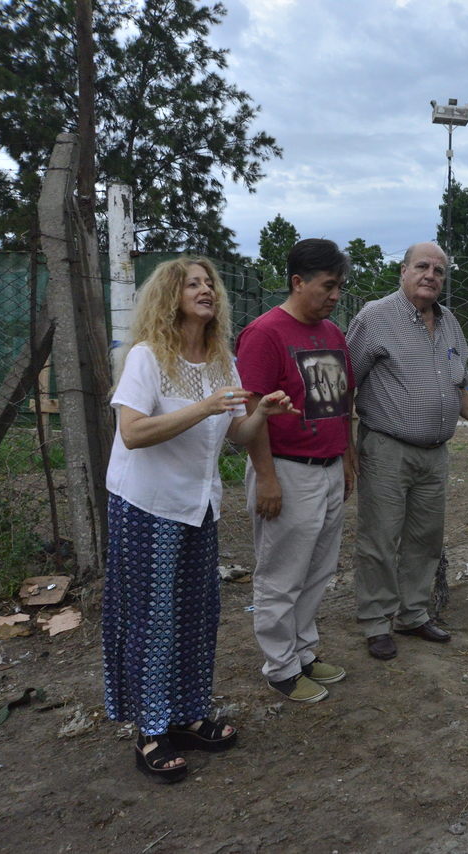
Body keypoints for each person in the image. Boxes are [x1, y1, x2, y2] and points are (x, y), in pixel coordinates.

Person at [104, 257, 299, 782]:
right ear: (171, 296)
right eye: (193, 284)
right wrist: (204, 407)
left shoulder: (220, 362)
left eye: (209, 283)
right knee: (153, 620)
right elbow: (132, 433)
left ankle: (188, 716)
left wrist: (262, 414)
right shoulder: (147, 356)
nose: (206, 289)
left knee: (196, 615)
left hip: (198, 506)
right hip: (146, 505)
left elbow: (238, 434)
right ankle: (150, 730)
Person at [346, 242, 468, 660]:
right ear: (403, 271)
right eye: (422, 266)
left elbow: (456, 387)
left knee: (425, 538)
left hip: (435, 454)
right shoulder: (374, 317)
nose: (431, 276)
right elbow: (346, 383)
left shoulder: (450, 323)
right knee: (380, 538)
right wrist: (346, 446)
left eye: (439, 271)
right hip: (386, 448)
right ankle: (376, 621)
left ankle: (412, 613)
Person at [236, 239, 356, 704]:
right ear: (297, 282)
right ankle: (280, 667)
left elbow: (341, 401)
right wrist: (266, 477)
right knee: (281, 575)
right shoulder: (265, 334)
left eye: (339, 286)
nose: (335, 296)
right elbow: (253, 412)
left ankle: (303, 652)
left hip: (328, 469)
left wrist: (346, 458)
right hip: (287, 470)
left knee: (318, 570)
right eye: (328, 286)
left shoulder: (333, 334)